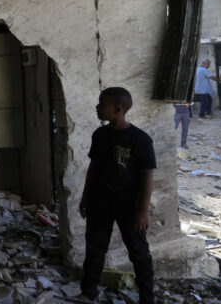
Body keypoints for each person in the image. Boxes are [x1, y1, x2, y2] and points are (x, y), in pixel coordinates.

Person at [78, 87, 156, 304]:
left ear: (118, 109)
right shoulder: (100, 135)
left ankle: (147, 298)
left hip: (129, 206)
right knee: (95, 248)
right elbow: (93, 168)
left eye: (102, 103)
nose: (97, 107)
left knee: (139, 253)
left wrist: (143, 211)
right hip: (99, 202)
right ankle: (89, 291)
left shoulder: (139, 139)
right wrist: (85, 197)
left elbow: (147, 175)